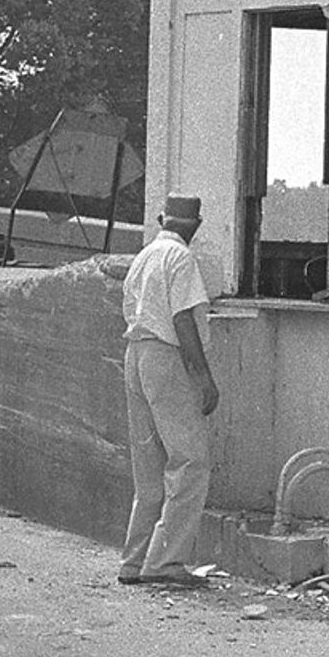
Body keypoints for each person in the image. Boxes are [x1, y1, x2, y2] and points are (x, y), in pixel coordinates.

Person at [117, 195, 221, 586]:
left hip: (136, 355)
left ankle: (134, 561)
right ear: (194, 226)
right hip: (165, 357)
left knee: (148, 469)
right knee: (190, 462)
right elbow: (183, 319)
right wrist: (203, 377)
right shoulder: (181, 259)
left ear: (162, 219)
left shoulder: (144, 256)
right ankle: (164, 563)